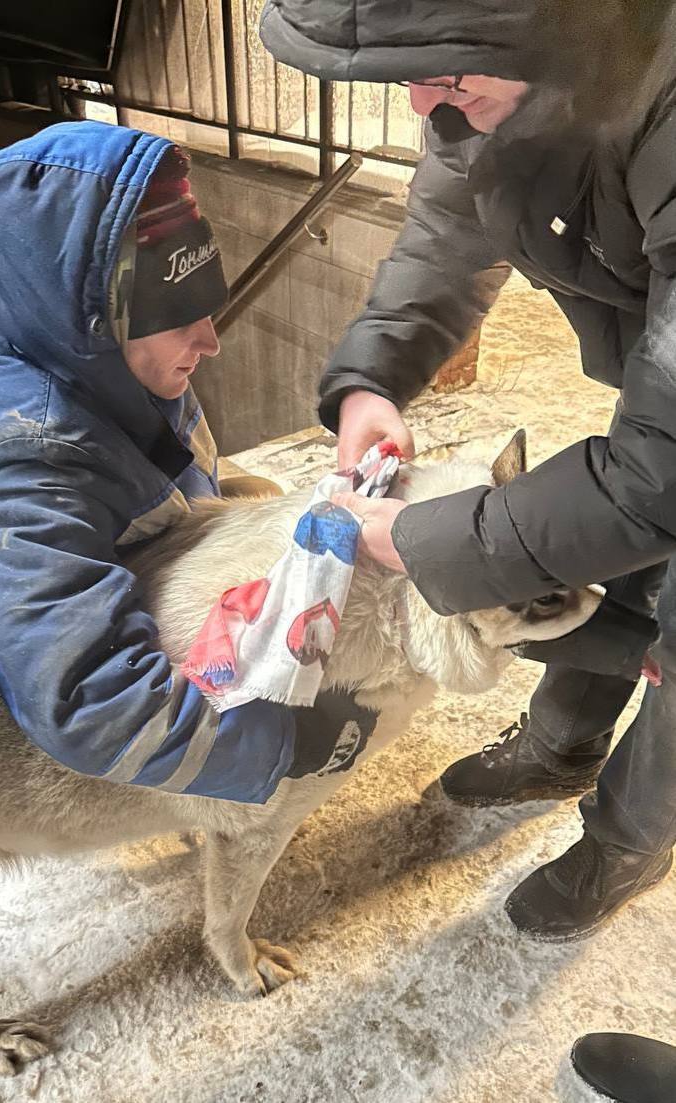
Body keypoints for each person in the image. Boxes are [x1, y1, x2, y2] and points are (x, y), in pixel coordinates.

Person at [260, 0, 676, 942]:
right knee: (607, 548)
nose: (420, 103)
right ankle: (562, 744)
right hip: (661, 382)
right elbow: (448, 230)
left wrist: (419, 538)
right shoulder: (493, 81)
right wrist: (372, 379)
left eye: (449, 78)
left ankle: (630, 835)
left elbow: (663, 466)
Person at [0, 121, 378, 803]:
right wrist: (287, 742)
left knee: (262, 495)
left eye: (206, 309)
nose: (210, 342)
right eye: (180, 317)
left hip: (93, 561)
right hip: (2, 661)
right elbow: (86, 695)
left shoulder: (89, 348)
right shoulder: (25, 458)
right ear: (91, 321)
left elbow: (169, 469)